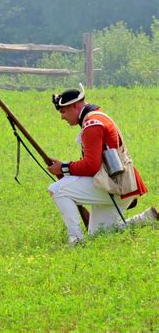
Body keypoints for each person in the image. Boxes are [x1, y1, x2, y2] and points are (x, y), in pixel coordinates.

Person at [47, 87, 157, 244]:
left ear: (75, 106)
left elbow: (91, 165)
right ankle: (146, 219)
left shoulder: (92, 124)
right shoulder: (95, 118)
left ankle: (76, 241)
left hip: (115, 185)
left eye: (63, 111)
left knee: (56, 190)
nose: (62, 117)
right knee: (99, 235)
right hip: (120, 183)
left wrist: (63, 168)